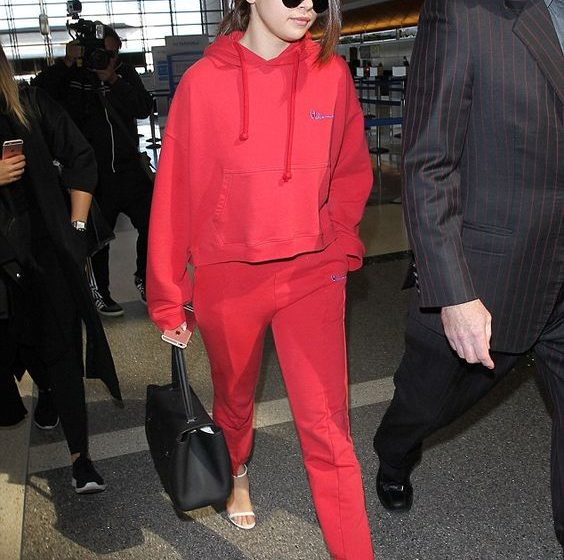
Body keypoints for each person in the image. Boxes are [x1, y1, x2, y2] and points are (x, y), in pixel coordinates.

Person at [146, 0, 375, 557]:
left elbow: (349, 168)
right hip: (229, 277)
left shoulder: (331, 75)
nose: (308, 6)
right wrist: (169, 295)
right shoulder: (202, 84)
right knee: (234, 401)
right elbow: (175, 192)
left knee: (329, 430)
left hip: (313, 272)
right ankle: (238, 468)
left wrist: (340, 241)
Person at [373, 0, 563, 552]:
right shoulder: (464, 12)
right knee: (425, 405)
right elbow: (429, 162)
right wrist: (453, 294)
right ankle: (394, 454)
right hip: (489, 278)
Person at [0, 43, 121, 492]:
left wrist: (76, 226)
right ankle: (47, 389)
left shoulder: (30, 104)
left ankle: (80, 457)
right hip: (2, 265)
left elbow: (81, 156)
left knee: (61, 348)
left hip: (46, 252)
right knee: (21, 345)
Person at [33, 24, 153, 317]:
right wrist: (66, 64)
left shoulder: (123, 73)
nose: (108, 59)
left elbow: (143, 107)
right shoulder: (73, 76)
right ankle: (101, 293)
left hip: (130, 170)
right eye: (102, 54)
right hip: (94, 176)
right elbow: (40, 95)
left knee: (153, 225)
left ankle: (145, 279)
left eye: (113, 54)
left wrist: (113, 80)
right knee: (98, 239)